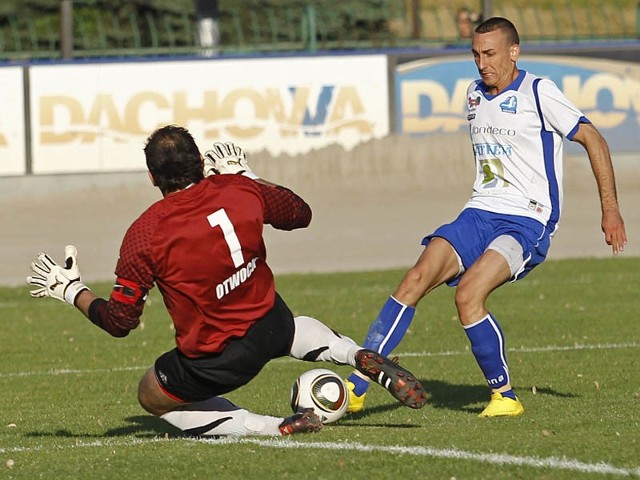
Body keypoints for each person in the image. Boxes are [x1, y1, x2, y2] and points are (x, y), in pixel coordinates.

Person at [26, 125, 426, 437]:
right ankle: (354, 355)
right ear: (201, 161)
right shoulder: (238, 188)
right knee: (290, 326)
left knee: (151, 395)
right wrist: (247, 174)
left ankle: (273, 426)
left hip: (217, 359)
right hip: (273, 323)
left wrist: (72, 291)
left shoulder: (144, 233)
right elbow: (300, 213)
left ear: (152, 178)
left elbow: (120, 322)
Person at [345, 17, 627, 417]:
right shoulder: (474, 94)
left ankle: (505, 397)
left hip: (526, 222)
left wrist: (610, 209)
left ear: (514, 51)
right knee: (414, 279)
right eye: (475, 54)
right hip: (479, 211)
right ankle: (357, 387)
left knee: (468, 295)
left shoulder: (538, 92)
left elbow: (593, 139)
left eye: (490, 54)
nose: (482, 63)